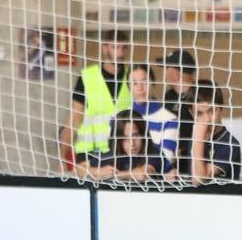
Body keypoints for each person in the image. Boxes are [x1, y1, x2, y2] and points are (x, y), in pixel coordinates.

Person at [61, 30, 131, 171]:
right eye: (115, 47)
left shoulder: (132, 78)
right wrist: (62, 159)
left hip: (121, 153)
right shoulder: (88, 77)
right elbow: (73, 119)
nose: (120, 53)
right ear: (104, 48)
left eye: (123, 48)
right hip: (89, 154)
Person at [127, 64, 179, 176]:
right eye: (134, 83)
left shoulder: (170, 119)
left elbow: (166, 157)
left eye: (144, 82)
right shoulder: (119, 117)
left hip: (154, 179)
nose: (140, 87)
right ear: (128, 87)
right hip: (124, 177)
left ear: (153, 83)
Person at [187, 82, 241, 183]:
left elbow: (199, 180)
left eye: (211, 111)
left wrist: (198, 138)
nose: (206, 119)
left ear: (221, 109)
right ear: (191, 113)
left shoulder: (230, 144)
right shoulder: (193, 140)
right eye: (199, 113)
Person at [156, 48, 198, 168]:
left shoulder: (199, 95)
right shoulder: (169, 96)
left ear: (176, 72)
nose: (164, 73)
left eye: (166, 68)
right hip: (170, 162)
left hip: (193, 161)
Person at [100, 110, 159, 183]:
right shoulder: (110, 155)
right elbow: (83, 169)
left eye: (135, 135)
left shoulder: (154, 153)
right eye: (124, 138)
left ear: (144, 135)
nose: (132, 144)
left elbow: (143, 174)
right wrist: (97, 172)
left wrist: (114, 175)